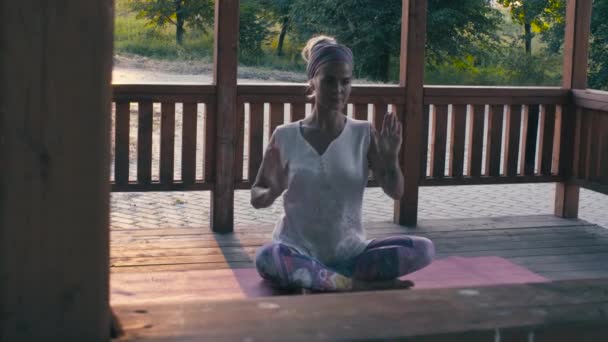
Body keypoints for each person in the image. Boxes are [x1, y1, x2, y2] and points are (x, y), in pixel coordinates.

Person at [250, 35, 434, 292]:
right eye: (329, 81)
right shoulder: (285, 135)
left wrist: (391, 159)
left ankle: (327, 280)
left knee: (423, 248)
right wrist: (272, 190)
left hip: (351, 253)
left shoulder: (363, 133)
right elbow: (257, 196)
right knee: (268, 257)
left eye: (345, 82)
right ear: (312, 81)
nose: (338, 89)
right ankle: (355, 285)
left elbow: (396, 191)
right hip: (297, 249)